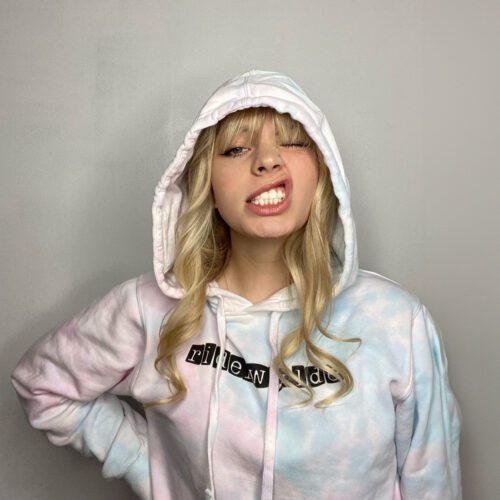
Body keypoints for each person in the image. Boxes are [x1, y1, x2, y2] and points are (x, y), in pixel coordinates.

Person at [11, 69, 463, 500]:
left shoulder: (396, 323)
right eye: (236, 149)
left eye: (293, 141)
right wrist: (152, 469)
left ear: (323, 172)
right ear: (206, 182)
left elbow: (432, 482)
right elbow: (42, 385)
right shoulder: (149, 309)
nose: (267, 160)